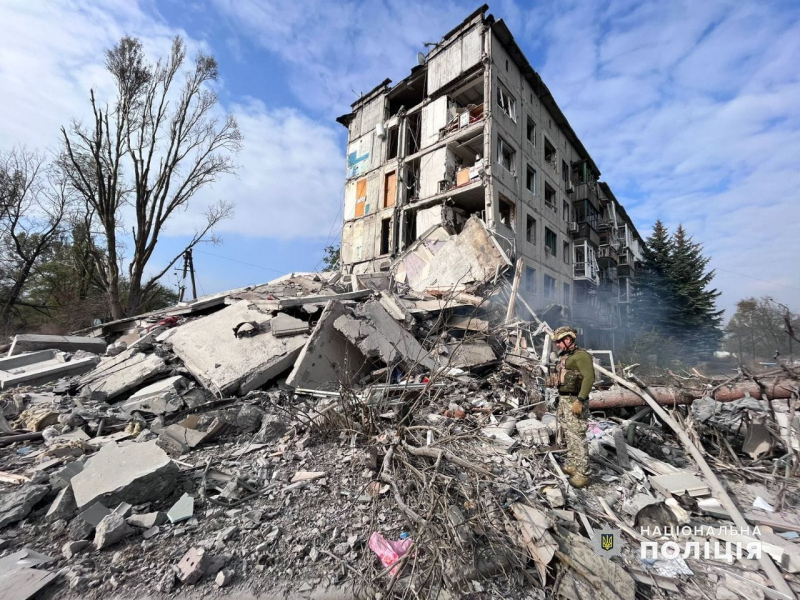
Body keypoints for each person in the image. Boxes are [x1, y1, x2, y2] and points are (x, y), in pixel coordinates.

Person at [551, 326, 595, 488]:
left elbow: (589, 378)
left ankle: (584, 473)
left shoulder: (581, 356)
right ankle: (574, 464)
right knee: (569, 434)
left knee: (578, 435)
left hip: (575, 400)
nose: (557, 345)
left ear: (568, 339)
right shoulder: (567, 356)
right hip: (564, 399)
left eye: (559, 342)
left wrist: (580, 400)